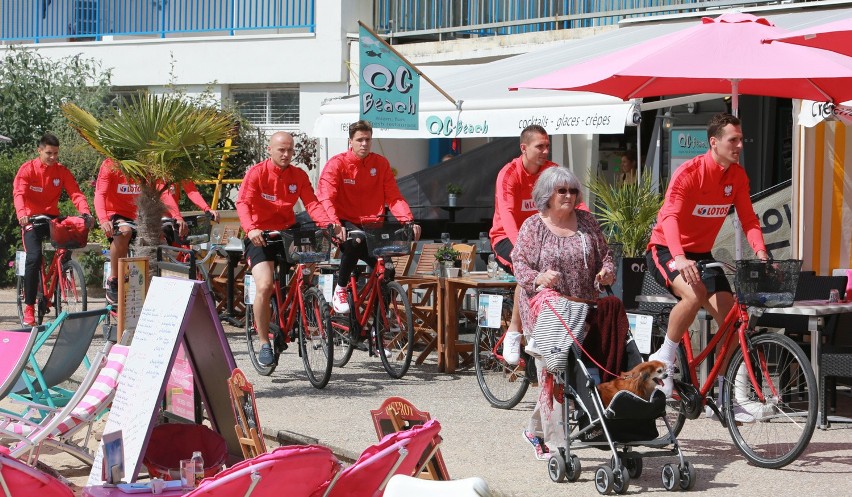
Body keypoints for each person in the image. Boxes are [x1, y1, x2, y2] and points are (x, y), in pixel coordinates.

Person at [645, 113, 768, 417]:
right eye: (733, 140)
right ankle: (666, 356)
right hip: (666, 249)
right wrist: (679, 256)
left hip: (702, 253)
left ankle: (725, 397)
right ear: (714, 142)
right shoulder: (690, 173)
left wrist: (762, 251)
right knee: (694, 293)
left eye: (741, 140)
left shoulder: (737, 176)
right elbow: (670, 217)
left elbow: (749, 219)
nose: (739, 145)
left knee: (731, 321)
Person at [512, 166, 615, 460]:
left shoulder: (587, 221)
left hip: (583, 306)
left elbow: (605, 255)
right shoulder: (533, 226)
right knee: (554, 369)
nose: (569, 196)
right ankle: (559, 445)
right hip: (546, 308)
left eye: (572, 190)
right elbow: (519, 264)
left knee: (566, 371)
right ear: (548, 195)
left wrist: (607, 272)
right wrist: (539, 278)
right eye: (562, 191)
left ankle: (534, 430)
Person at [236, 131, 340, 367]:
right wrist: (251, 228)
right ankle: (264, 342)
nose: (286, 154)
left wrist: (328, 224)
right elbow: (243, 202)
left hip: (287, 232)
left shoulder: (298, 175)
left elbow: (312, 203)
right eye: (281, 149)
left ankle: (300, 302)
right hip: (260, 235)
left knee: (313, 255)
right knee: (264, 285)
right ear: (269, 150)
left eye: (290, 150)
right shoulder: (257, 173)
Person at [317, 120, 421, 315]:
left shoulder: (380, 164)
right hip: (345, 222)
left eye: (368, 139)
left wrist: (408, 220)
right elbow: (325, 197)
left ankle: (377, 327)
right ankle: (340, 288)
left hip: (373, 224)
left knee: (387, 270)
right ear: (350, 141)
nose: (364, 144)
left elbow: (394, 197)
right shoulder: (337, 164)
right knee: (355, 241)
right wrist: (335, 224)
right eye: (360, 140)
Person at [489, 125, 559, 366]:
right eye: (540, 146)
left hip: (541, 238)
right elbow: (506, 213)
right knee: (526, 271)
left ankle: (545, 330)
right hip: (506, 237)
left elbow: (573, 201)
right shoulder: (509, 173)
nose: (545, 151)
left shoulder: (552, 171)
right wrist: (522, 248)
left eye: (547, 145)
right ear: (524, 148)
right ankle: (514, 332)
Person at [13, 133, 94, 326]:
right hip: (31, 219)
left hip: (51, 218)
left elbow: (75, 193)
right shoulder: (27, 170)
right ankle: (30, 307)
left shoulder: (61, 171)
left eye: (56, 153)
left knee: (69, 242)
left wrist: (85, 212)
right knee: (33, 258)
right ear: (39, 150)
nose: (53, 157)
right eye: (49, 153)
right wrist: (22, 214)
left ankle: (59, 283)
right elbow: (19, 193)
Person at [95, 157, 186, 304]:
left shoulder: (147, 163)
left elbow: (163, 191)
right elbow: (100, 193)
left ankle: (156, 282)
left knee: (161, 236)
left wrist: (177, 216)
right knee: (125, 232)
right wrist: (103, 219)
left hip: (142, 213)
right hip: (117, 213)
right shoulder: (110, 164)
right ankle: (114, 280)